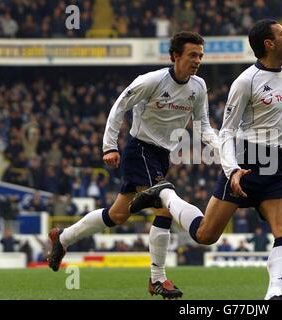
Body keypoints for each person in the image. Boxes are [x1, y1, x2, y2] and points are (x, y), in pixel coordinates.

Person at [130, 19, 282, 300]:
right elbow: (228, 132)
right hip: (246, 160)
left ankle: (274, 295)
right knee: (206, 235)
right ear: (269, 44)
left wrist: (280, 152)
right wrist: (232, 169)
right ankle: (167, 197)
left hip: (278, 164)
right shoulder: (246, 81)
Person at [47, 31, 219, 299]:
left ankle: (63, 238)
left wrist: (223, 153)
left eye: (200, 56)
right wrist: (109, 146)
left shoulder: (198, 87)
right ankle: (157, 279)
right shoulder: (151, 81)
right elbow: (119, 107)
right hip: (139, 150)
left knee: (117, 215)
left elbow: (203, 126)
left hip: (162, 156)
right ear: (175, 56)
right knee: (164, 208)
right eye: (192, 55)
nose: (197, 60)